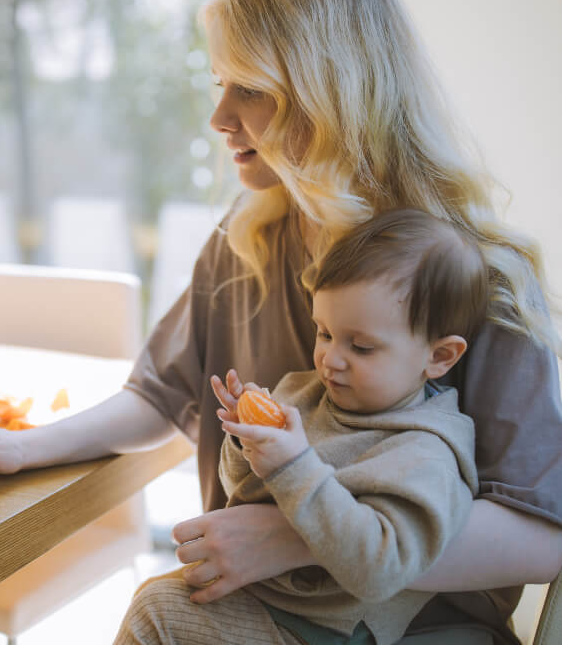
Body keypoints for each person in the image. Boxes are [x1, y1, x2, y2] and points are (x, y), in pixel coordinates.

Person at [0, 0, 562, 643]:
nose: (219, 117)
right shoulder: (248, 240)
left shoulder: (483, 278)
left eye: (251, 89)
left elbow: (540, 535)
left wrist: (298, 535)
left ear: (332, 94)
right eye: (218, 83)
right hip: (259, 609)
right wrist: (26, 446)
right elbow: (160, 395)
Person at [117, 209, 485, 645]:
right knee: (155, 593)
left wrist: (293, 465)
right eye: (324, 332)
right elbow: (244, 494)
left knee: (156, 613)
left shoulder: (427, 453)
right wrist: (247, 442)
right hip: (265, 599)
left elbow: (380, 571)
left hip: (324, 630)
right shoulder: (305, 393)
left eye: (361, 346)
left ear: (440, 357)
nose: (331, 358)